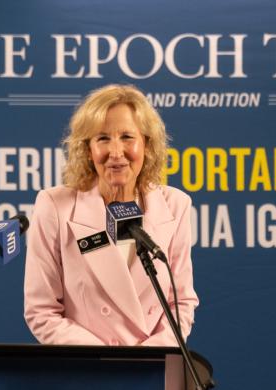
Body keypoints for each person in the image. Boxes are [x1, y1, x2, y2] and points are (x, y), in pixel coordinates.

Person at [24, 84, 198, 346]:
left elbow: (180, 303)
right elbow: (42, 311)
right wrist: (107, 361)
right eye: (103, 138)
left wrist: (146, 359)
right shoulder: (54, 206)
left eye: (127, 137)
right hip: (86, 371)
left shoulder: (176, 205)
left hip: (152, 371)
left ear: (147, 145)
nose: (116, 152)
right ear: (88, 149)